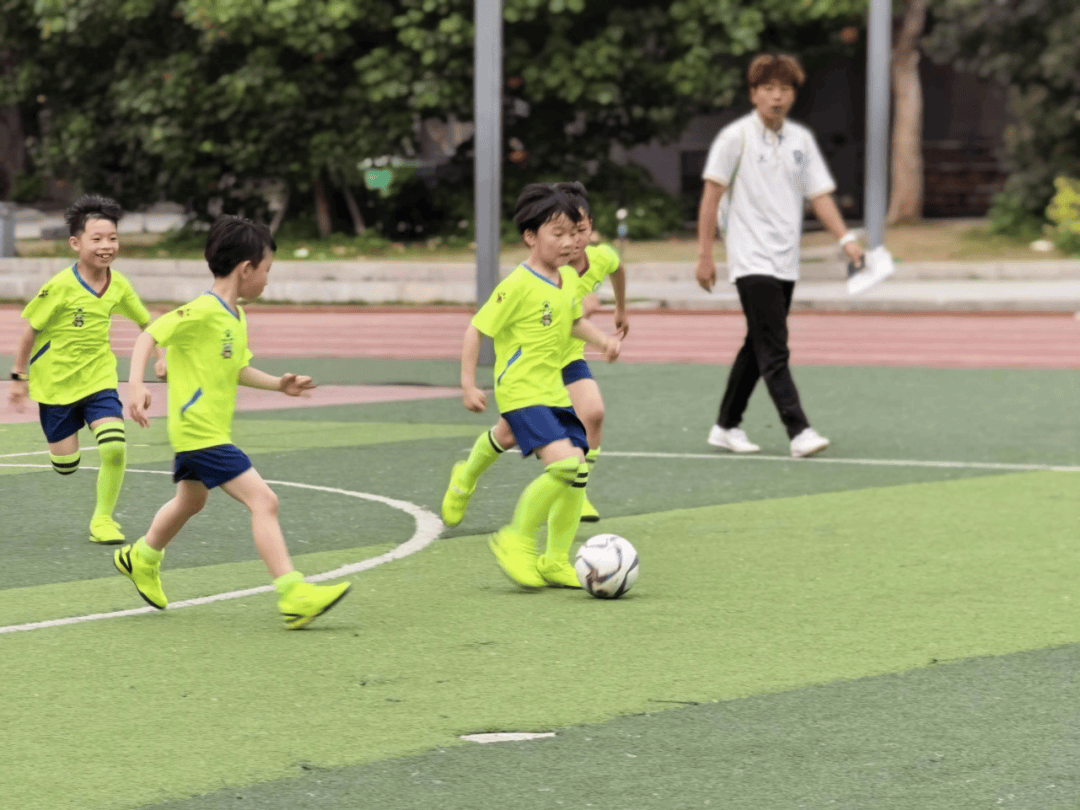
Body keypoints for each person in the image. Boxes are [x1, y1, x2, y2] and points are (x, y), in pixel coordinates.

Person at [116, 215, 351, 628]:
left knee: (191, 501)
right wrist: (135, 386)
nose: (267, 280)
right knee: (264, 501)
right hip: (199, 431)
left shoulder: (236, 317)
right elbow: (148, 334)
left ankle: (142, 557)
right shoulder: (204, 310)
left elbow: (238, 368)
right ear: (246, 269)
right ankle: (293, 593)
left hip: (206, 431)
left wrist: (279, 385)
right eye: (267, 271)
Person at [695, 53, 864, 458]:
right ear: (753, 93)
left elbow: (819, 195)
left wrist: (845, 239)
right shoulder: (734, 137)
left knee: (758, 343)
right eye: (768, 88)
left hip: (785, 259)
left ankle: (725, 425)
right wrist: (704, 255)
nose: (777, 96)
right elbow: (711, 196)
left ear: (793, 95)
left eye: (784, 89)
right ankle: (799, 430)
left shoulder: (800, 140)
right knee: (774, 346)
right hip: (750, 257)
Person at [453, 183, 621, 589]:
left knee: (578, 474)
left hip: (554, 391)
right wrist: (469, 384)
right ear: (530, 236)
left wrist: (602, 341)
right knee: (565, 465)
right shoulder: (518, 284)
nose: (568, 243)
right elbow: (477, 329)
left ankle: (554, 560)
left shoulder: (567, 278)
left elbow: (572, 321)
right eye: (557, 233)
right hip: (521, 391)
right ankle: (515, 539)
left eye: (573, 234)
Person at [7, 194, 166, 544]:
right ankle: (66, 443)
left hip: (99, 379)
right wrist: (18, 377)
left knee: (114, 448)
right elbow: (30, 331)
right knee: (66, 465)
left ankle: (103, 520)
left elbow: (147, 323)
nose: (107, 246)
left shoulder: (118, 284)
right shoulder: (59, 286)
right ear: (76, 243)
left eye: (112, 238)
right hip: (56, 384)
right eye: (97, 239)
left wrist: (161, 356)